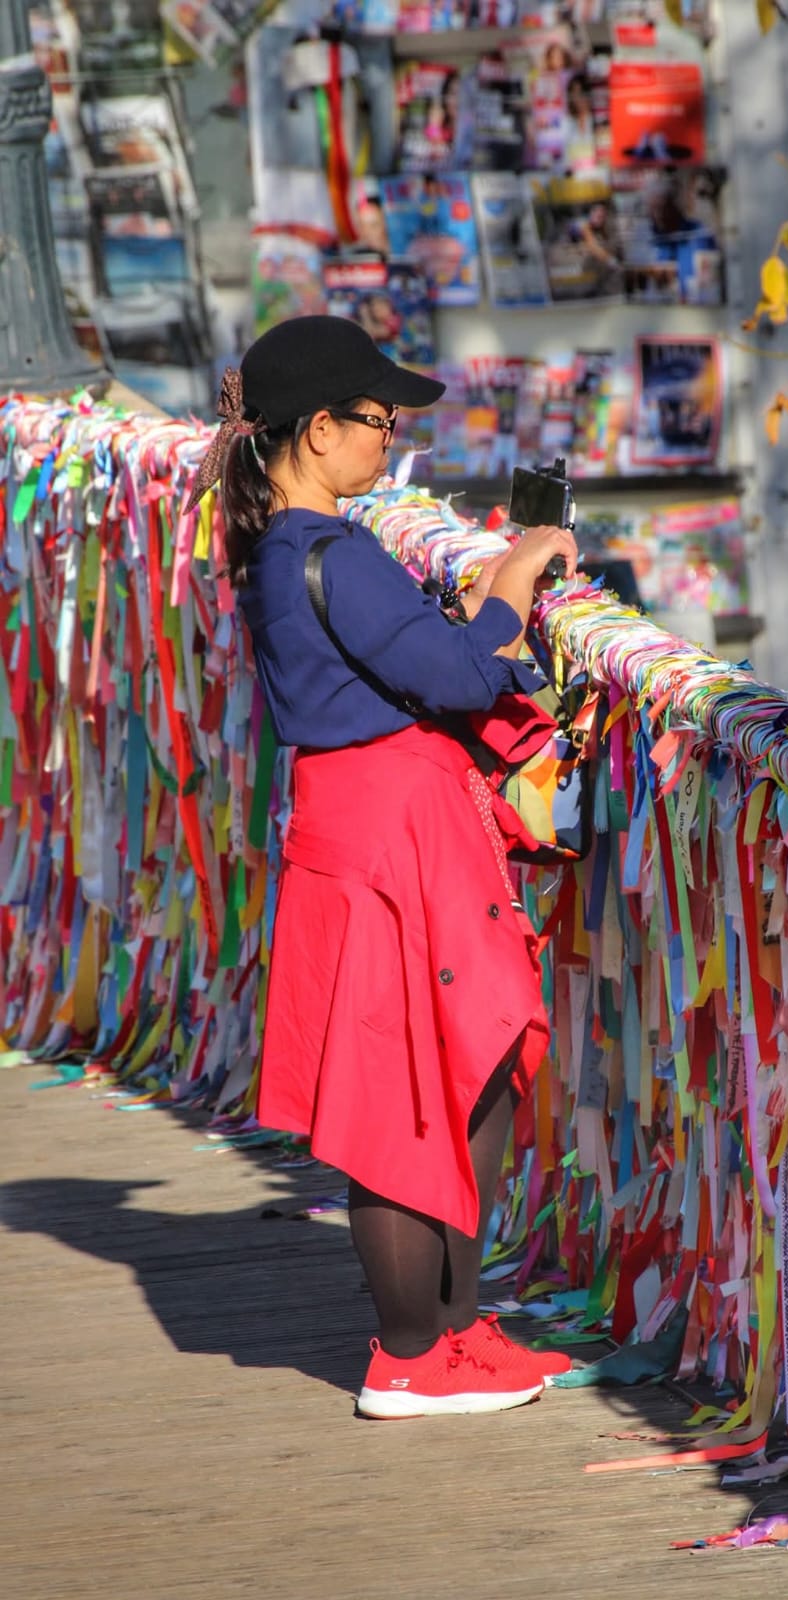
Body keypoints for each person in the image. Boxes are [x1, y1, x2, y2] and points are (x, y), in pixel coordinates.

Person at [183, 316, 578, 1419]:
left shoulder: (279, 547)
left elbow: (406, 658)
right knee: (408, 1092)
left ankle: (453, 1332)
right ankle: (410, 1351)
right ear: (317, 431)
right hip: (393, 843)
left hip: (371, 829)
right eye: (378, 421)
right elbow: (455, 673)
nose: (388, 441)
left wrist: (472, 608)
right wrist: (515, 575)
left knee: (460, 1066)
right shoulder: (326, 549)